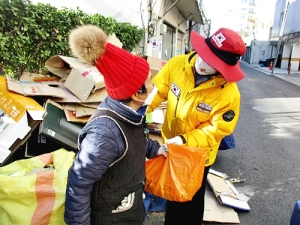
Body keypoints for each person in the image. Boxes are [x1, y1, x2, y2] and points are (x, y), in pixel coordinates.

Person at [64, 24, 167, 225]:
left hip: (128, 209)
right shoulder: (104, 134)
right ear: (137, 94)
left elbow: (135, 140)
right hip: (109, 217)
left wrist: (156, 149)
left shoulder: (132, 112)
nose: (154, 86)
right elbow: (78, 183)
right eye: (150, 82)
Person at [147, 27, 246, 225]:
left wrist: (185, 140)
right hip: (171, 145)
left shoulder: (229, 94)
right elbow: (158, 92)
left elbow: (217, 129)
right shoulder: (177, 64)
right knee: (173, 193)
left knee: (190, 198)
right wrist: (142, 113)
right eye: (204, 54)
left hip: (198, 154)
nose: (203, 62)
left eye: (212, 62)